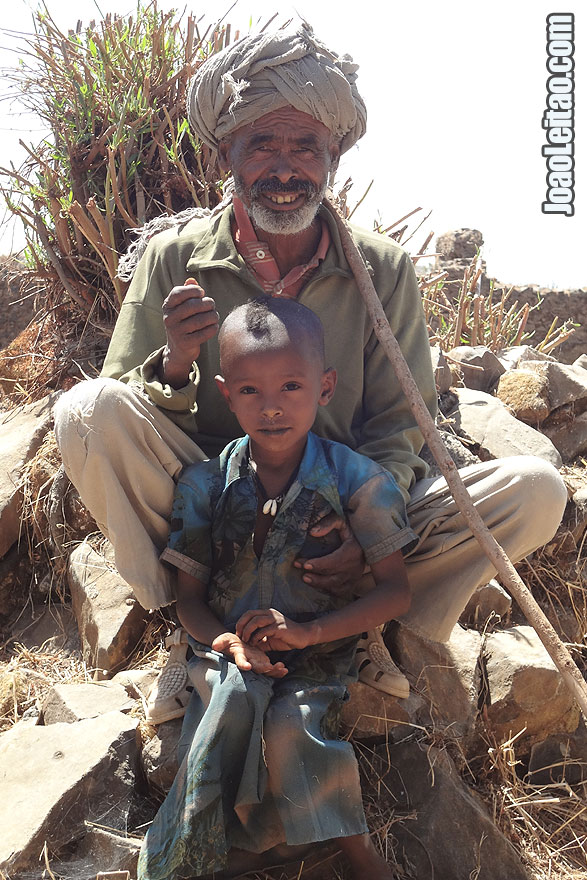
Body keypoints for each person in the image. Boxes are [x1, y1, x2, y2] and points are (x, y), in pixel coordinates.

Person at [53, 23, 567, 708]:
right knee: (85, 411)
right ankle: (186, 619)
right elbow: (122, 406)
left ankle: (374, 625)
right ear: (224, 153)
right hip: (210, 507)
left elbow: (398, 416)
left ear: (333, 156)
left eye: (305, 146)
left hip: (344, 505)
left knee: (534, 490)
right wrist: (174, 362)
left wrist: (363, 523)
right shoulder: (173, 258)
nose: (285, 166)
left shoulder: (379, 268)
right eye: (262, 143)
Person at [137, 296, 410, 880]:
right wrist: (225, 645)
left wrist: (310, 631)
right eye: (250, 391)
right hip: (225, 652)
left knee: (293, 725)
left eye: (291, 386)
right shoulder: (204, 484)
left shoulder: (357, 480)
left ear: (326, 386)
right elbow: (189, 597)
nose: (272, 408)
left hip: (318, 654)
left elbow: (395, 592)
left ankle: (358, 855)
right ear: (225, 391)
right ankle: (187, 854)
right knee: (231, 701)